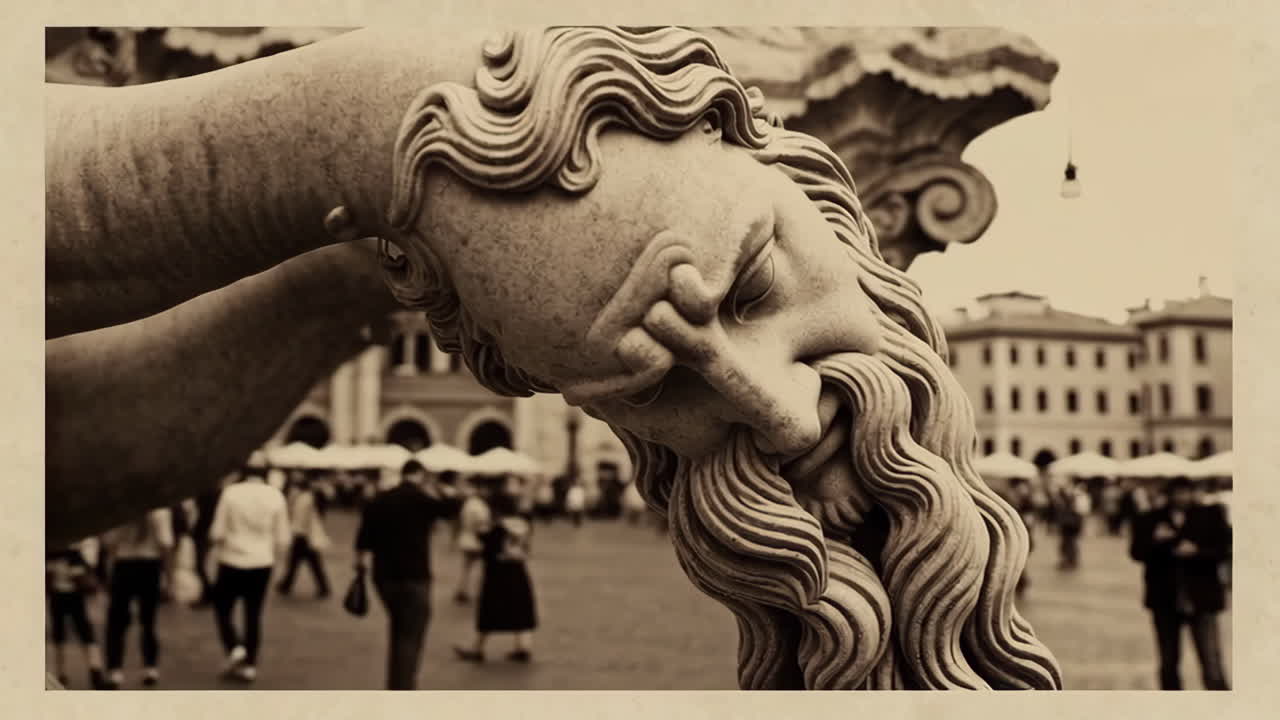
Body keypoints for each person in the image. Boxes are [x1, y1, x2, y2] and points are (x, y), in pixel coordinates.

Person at [354, 460, 461, 690]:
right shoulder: (421, 499)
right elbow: (451, 509)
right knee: (411, 633)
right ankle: (403, 688)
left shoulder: (380, 499)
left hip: (383, 577)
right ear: (420, 476)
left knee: (398, 626)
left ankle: (397, 683)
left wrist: (360, 564)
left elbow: (363, 539)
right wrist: (445, 489)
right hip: (414, 576)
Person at [1129, 477, 1231, 690]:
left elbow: (1224, 549)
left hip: (1202, 598)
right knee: (1168, 662)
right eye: (1177, 493)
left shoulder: (1210, 516)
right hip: (1165, 599)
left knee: (1211, 660)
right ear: (1169, 495)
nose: (1181, 497)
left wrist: (1197, 552)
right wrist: (1157, 541)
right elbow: (1137, 552)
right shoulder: (1151, 519)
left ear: (1192, 493)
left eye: (1185, 492)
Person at [209, 460, 291, 683]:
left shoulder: (231, 493)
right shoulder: (275, 496)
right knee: (253, 613)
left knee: (222, 608)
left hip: (231, 559)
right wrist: (280, 564)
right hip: (262, 560)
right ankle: (250, 665)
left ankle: (234, 646)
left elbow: (217, 532)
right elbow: (283, 537)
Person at [453, 488, 539, 662]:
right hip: (518, 571)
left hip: (498, 575)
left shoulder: (496, 528)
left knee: (489, 611)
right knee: (521, 609)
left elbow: (487, 549)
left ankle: (477, 648)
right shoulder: (524, 525)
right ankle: (523, 646)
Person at [101, 507, 173, 688]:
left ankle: (115, 669)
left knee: (117, 621)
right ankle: (150, 667)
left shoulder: (118, 511)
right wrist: (169, 577)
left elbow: (109, 542)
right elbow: (166, 544)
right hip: (149, 565)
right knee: (148, 619)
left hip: (125, 565)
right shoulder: (160, 511)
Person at [46, 540, 109, 689]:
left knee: (64, 635)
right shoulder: (72, 555)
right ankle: (93, 671)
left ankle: (65, 673)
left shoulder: (53, 555)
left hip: (63, 597)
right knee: (80, 635)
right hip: (69, 597)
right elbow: (83, 579)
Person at [276, 470, 332, 599]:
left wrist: (303, 532)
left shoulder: (307, 498)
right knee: (303, 561)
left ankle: (287, 585)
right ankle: (288, 584)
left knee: (304, 561)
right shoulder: (304, 496)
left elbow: (306, 517)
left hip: (303, 534)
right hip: (303, 534)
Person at [453, 479, 492, 605]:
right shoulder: (479, 505)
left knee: (467, 566)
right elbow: (481, 522)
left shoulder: (468, 503)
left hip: (466, 538)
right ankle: (475, 591)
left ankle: (462, 589)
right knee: (478, 567)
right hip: (476, 539)